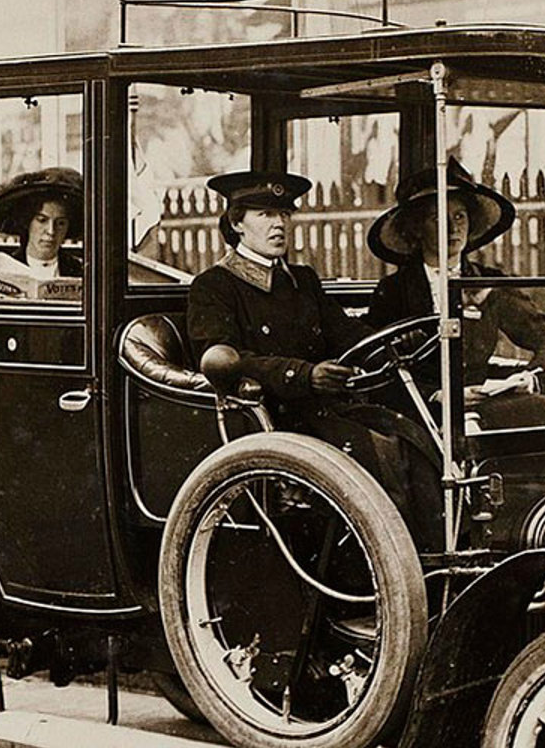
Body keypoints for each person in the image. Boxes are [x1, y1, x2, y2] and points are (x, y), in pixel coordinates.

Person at [187, 170, 441, 542]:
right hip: (274, 418)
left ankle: (434, 555)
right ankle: (385, 567)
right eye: (265, 215)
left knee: (414, 436)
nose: (279, 224)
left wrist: (396, 342)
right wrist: (305, 375)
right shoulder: (214, 286)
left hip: (326, 408)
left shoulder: (302, 280)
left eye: (285, 215)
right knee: (379, 452)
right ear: (236, 223)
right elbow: (229, 358)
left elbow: (345, 333)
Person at [366, 157, 545, 430]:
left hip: (482, 402)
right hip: (423, 409)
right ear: (416, 228)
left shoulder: (488, 284)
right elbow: (374, 366)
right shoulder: (393, 292)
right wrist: (437, 395)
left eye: (460, 217)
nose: (453, 228)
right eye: (438, 218)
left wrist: (532, 376)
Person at [0, 166, 84, 280]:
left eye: (60, 223)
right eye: (42, 220)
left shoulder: (79, 270)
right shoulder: (5, 268)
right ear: (27, 222)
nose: (51, 231)